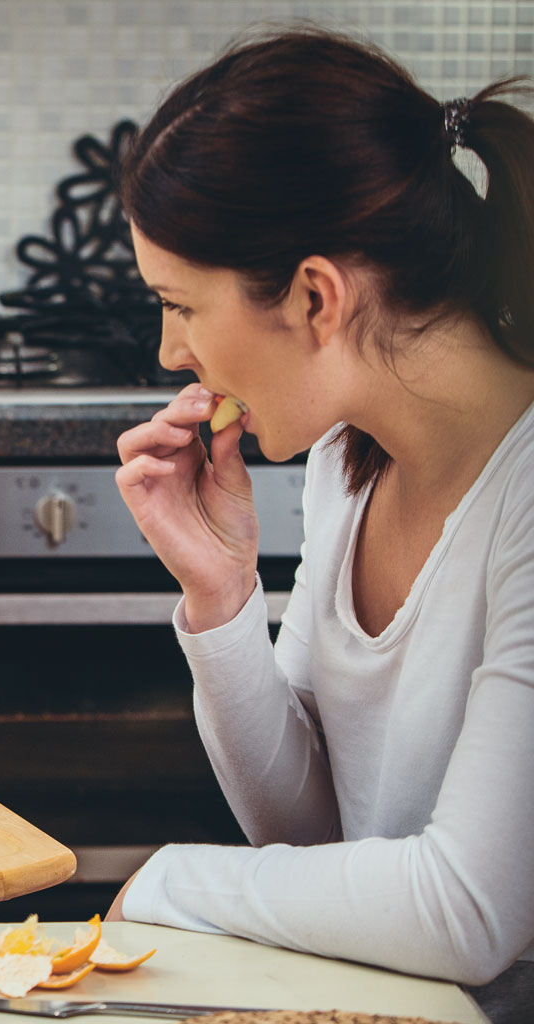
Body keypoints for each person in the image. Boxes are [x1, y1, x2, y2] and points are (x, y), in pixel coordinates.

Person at [108, 28, 534, 1023]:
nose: (173, 351)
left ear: (314, 295)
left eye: (179, 305)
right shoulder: (349, 464)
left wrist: (168, 883)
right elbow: (311, 838)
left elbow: (470, 912)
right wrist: (221, 599)